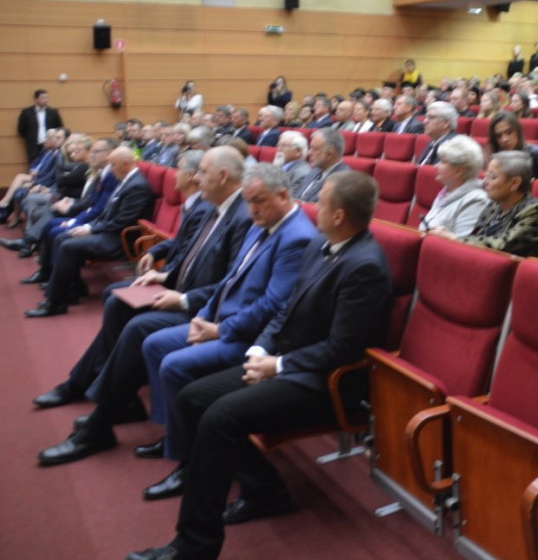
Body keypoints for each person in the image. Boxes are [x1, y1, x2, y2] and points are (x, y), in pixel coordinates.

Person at [124, 171, 391, 560]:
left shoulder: (365, 266)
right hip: (287, 360)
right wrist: (259, 349)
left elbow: (341, 349)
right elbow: (285, 310)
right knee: (192, 397)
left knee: (220, 418)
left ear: (339, 216)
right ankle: (265, 490)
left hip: (323, 382)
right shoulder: (321, 245)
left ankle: (194, 545)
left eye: (322, 203)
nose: (312, 207)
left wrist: (277, 364)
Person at [36, 163, 317, 470]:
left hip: (243, 333)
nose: (195, 177)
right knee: (130, 318)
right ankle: (135, 421)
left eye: (204, 171)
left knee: (145, 335)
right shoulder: (254, 220)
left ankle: (132, 428)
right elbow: (229, 279)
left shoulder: (292, 235)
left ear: (283, 195)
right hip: (211, 313)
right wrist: (202, 313)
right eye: (250, 201)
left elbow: (272, 305)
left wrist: (215, 325)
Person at [31, 148, 252, 410]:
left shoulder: (238, 216)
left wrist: (181, 296)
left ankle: (99, 390)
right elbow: (186, 249)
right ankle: (103, 382)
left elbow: (231, 281)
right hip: (181, 286)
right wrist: (162, 269)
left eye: (202, 172)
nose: (194, 177)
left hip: (200, 305)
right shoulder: (213, 208)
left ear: (223, 176)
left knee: (135, 323)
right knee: (116, 300)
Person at [25, 146, 155, 318]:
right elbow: (106, 213)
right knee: (62, 237)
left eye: (114, 164)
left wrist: (90, 228)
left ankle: (55, 303)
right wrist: (87, 226)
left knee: (68, 245)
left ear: (125, 164)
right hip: (108, 231)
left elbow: (121, 222)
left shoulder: (137, 186)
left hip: (119, 240)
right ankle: (73, 290)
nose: (111, 169)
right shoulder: (126, 180)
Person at [458, 151, 538, 259]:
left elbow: (500, 245)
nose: (484, 182)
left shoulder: (535, 211)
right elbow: (477, 235)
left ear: (514, 183)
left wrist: (455, 240)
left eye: (492, 177)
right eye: (486, 175)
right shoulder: (495, 204)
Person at [421, 135, 489, 237]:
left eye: (443, 162)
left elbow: (462, 243)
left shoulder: (477, 200)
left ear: (458, 171)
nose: (436, 166)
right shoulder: (447, 191)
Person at [293, 128, 348, 203]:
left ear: (329, 154)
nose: (309, 153)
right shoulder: (314, 171)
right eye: (310, 148)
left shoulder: (342, 181)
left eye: (314, 149)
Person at [17, 89, 64, 164]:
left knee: (49, 165)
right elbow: (21, 129)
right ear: (36, 99)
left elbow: (60, 127)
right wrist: (30, 137)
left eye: (47, 97)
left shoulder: (53, 112)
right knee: (34, 165)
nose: (46, 100)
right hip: (33, 145)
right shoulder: (26, 112)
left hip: (50, 145)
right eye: (43, 98)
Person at [416, 101, 458, 165]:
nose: (424, 121)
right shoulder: (434, 141)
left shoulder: (452, 146)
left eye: (430, 117)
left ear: (446, 123)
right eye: (425, 117)